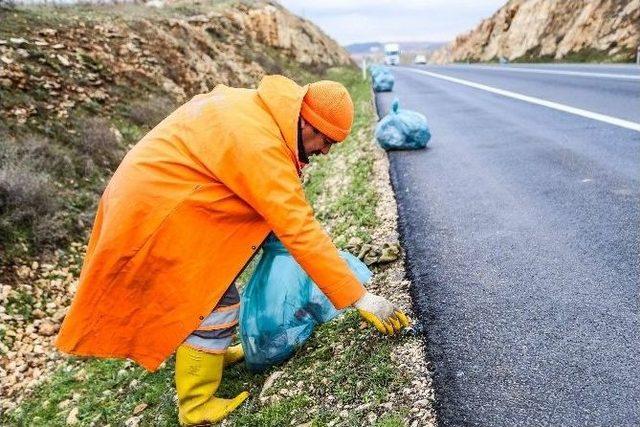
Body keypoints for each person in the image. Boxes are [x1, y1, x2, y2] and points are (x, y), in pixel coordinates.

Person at [55, 75, 410, 425]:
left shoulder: (260, 112)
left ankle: (211, 351)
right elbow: (298, 228)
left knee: (216, 282)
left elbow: (281, 215)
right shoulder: (262, 146)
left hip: (160, 200)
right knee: (213, 302)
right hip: (152, 215)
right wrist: (359, 297)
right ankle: (196, 406)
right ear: (306, 121)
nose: (325, 151)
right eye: (325, 140)